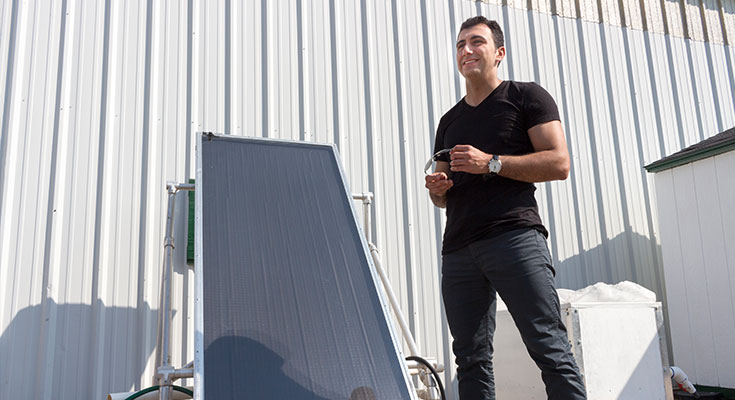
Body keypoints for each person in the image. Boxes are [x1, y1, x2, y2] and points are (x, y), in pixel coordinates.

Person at [424, 16, 587, 400]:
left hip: (514, 238)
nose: (466, 50)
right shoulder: (449, 121)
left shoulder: (527, 97)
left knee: (549, 347)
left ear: (498, 53)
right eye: (460, 44)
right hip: (459, 251)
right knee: (470, 358)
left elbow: (559, 163)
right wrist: (437, 188)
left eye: (476, 42)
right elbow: (441, 194)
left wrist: (491, 162)